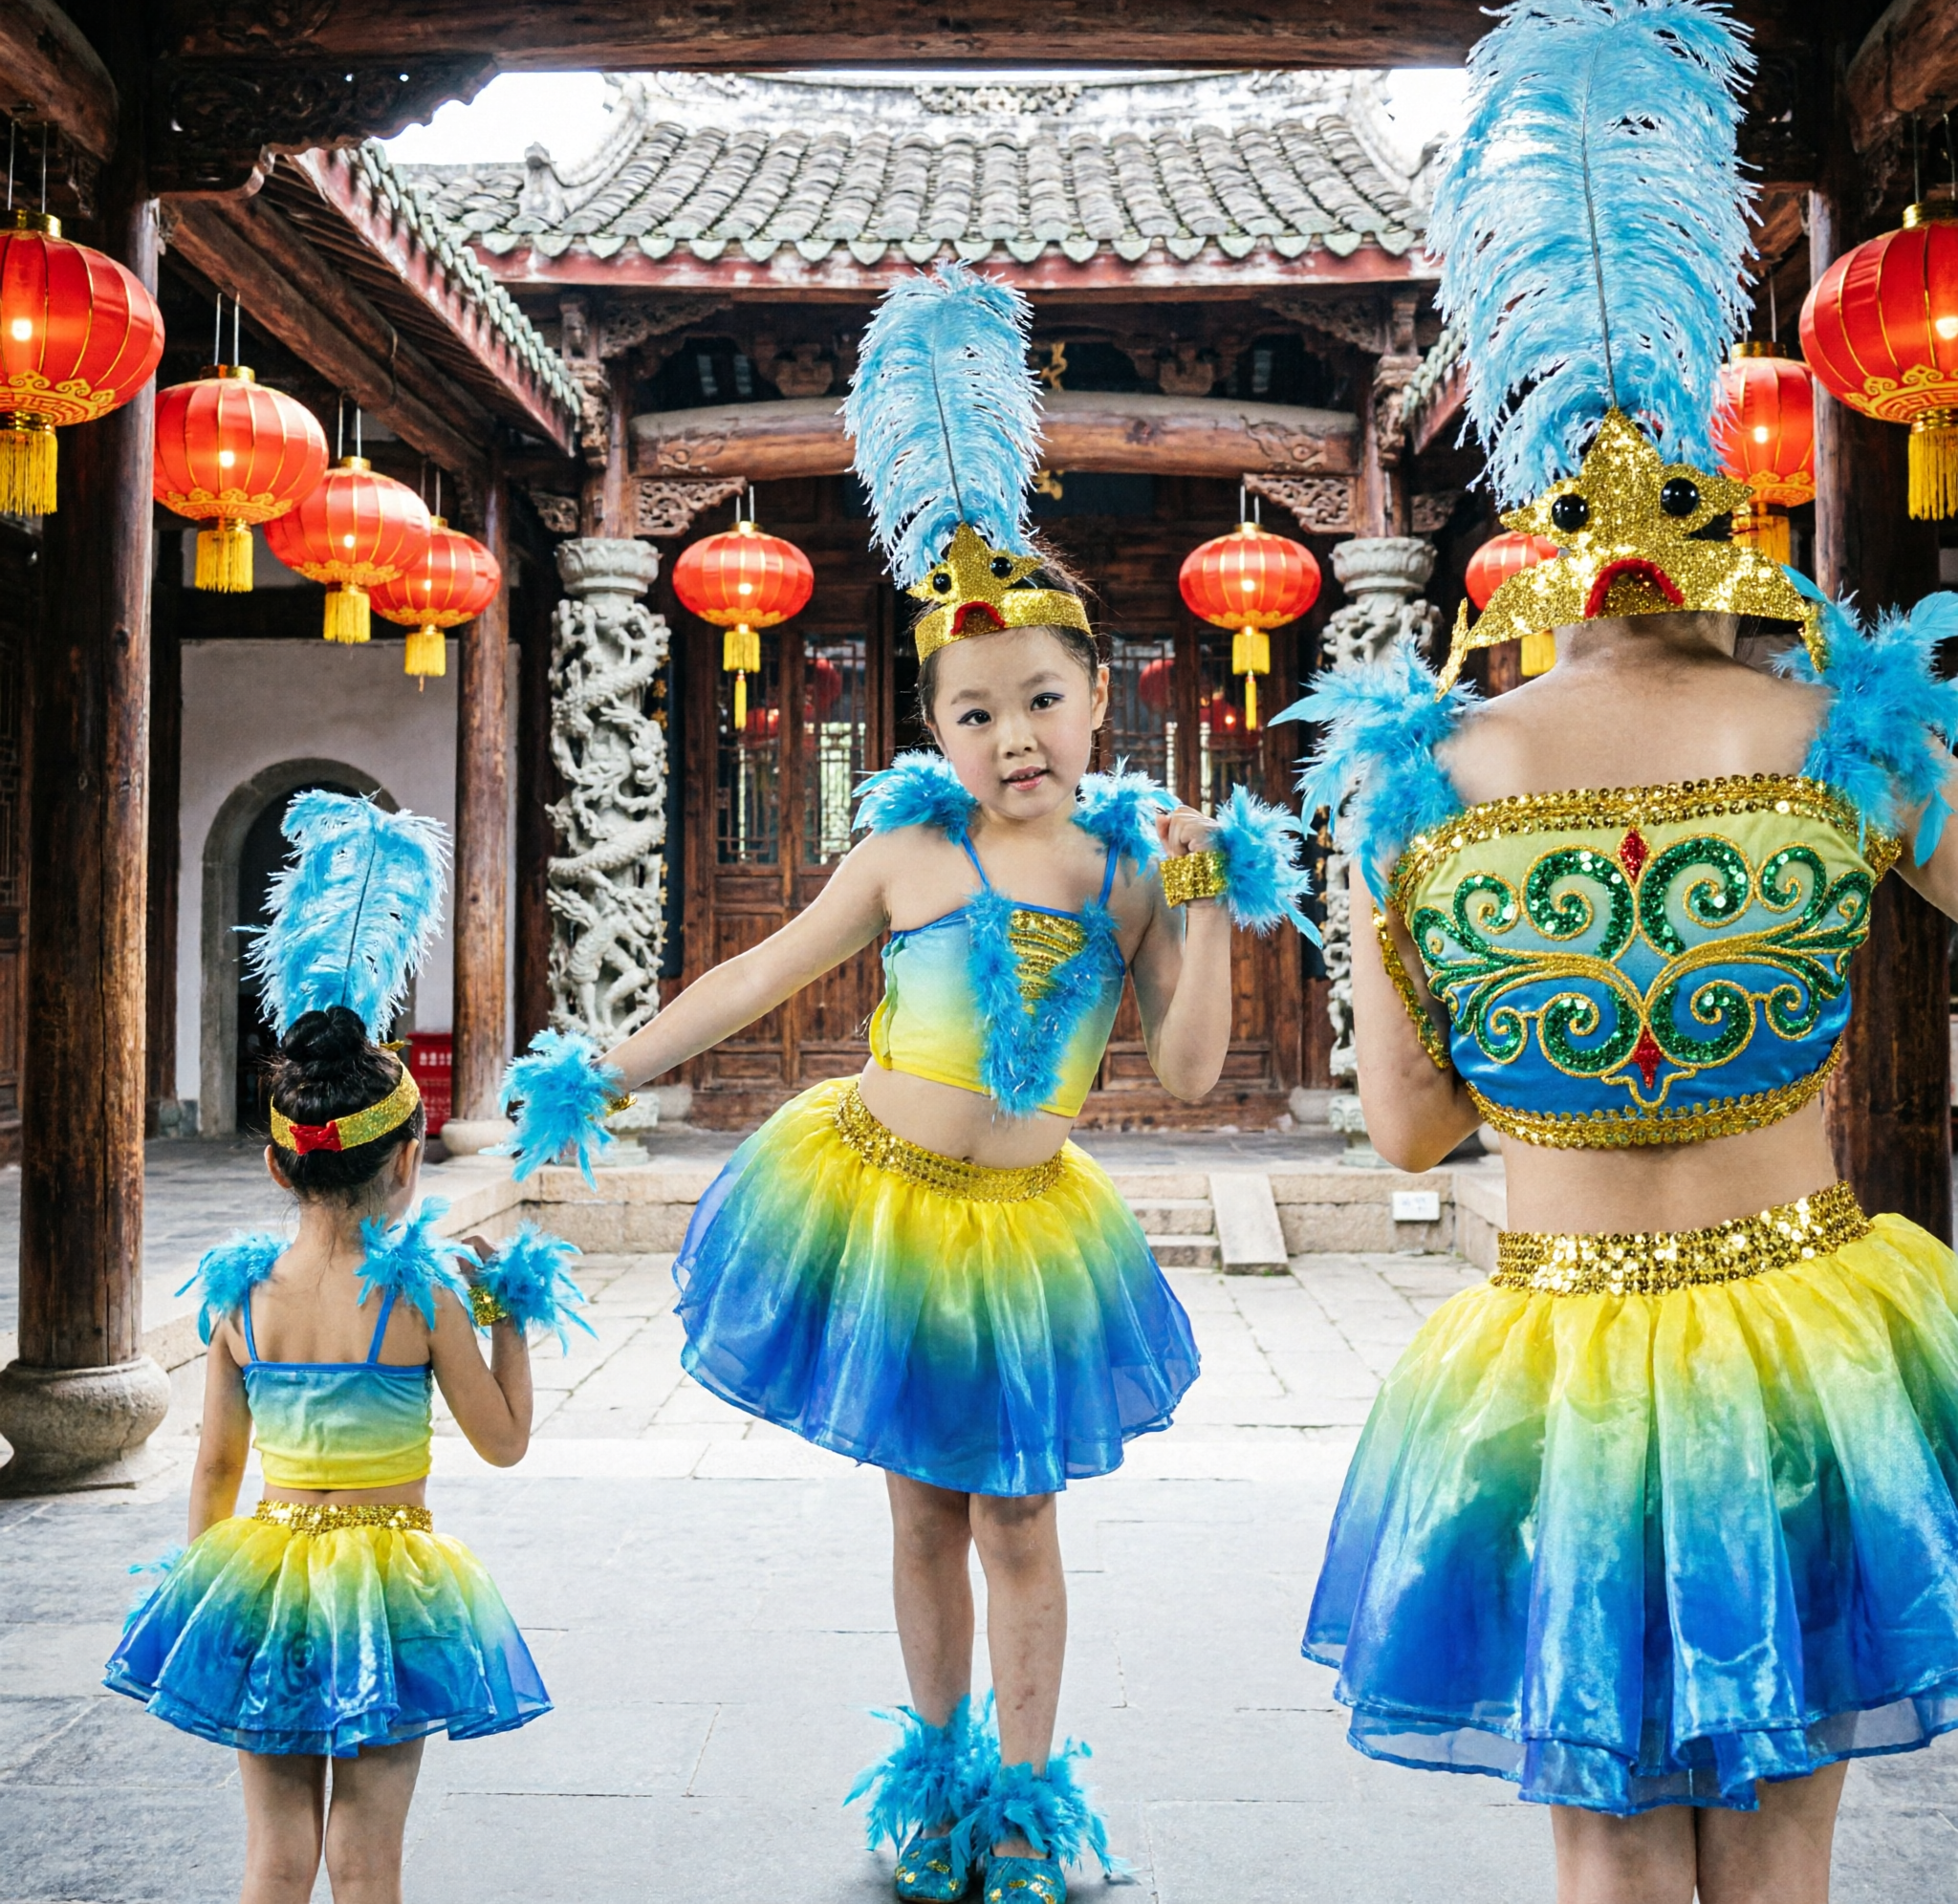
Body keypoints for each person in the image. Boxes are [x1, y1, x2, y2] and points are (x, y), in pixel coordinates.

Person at [492, 264, 1313, 1903]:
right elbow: (755, 977)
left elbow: (1189, 1068)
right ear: (933, 723)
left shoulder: (1130, 869)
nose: (1015, 736)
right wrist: (603, 1063)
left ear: (1101, 695)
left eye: (1042, 700)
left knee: (1022, 1519)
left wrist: (1209, 907)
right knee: (924, 1514)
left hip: (1028, 1225)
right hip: (876, 1197)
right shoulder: (906, 853)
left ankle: (1028, 1803)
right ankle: (934, 1792)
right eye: (973, 710)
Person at [1283, 0, 1958, 1904]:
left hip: (1556, 1360)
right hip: (1813, 1343)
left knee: (1608, 1844)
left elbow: (1405, 1133)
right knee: (1783, 1835)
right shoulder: (1842, 734)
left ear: (1528, 557)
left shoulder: (1419, 780)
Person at [107, 795, 588, 1904]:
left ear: (278, 1165)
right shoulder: (422, 1299)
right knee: (367, 1863)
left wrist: (207, 1589)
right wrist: (508, 1313)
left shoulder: (240, 1300)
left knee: (274, 1860)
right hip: (390, 1588)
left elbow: (215, 1467)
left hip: (263, 1579)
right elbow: (505, 1441)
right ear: (408, 1160)